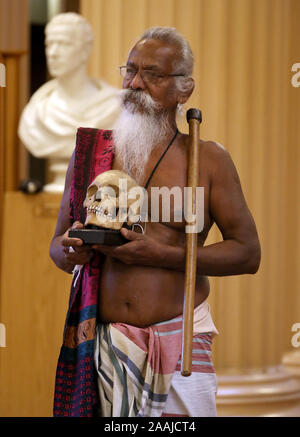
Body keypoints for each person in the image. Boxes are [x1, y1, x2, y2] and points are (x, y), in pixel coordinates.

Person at [50, 27, 261, 417]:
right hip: (104, 340)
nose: (135, 83)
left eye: (153, 74)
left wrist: (162, 254)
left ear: (185, 89)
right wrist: (69, 251)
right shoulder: (92, 153)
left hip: (180, 339)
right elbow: (57, 247)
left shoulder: (209, 160)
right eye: (129, 71)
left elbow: (248, 254)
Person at [18, 12, 120, 192]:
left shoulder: (113, 107)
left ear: (85, 51)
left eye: (63, 44)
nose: (53, 53)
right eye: (49, 44)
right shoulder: (36, 111)